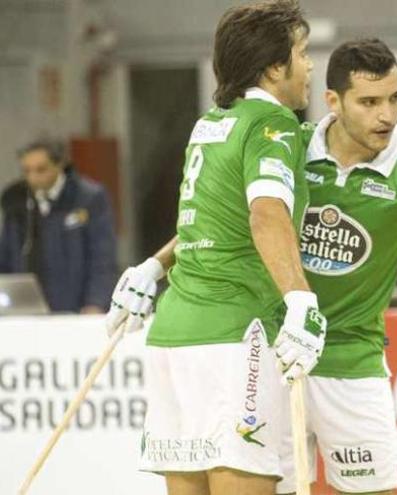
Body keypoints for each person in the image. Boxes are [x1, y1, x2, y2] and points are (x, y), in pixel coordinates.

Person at [104, 2, 327, 494]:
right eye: (303, 53)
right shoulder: (274, 125)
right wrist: (300, 298)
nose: (310, 66)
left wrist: (152, 267)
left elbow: (211, 223)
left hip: (174, 333)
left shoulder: (210, 124)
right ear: (274, 68)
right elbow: (265, 213)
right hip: (234, 336)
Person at [294, 38, 397, 494]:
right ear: (333, 101)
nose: (387, 115)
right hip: (277, 356)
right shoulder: (290, 152)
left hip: (354, 361)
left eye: (395, 98)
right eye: (369, 102)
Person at [0, 138, 116, 313]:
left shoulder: (88, 198)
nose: (33, 178)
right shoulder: (16, 202)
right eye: (27, 171)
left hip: (75, 306)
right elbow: (7, 256)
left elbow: (102, 257)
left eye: (41, 169)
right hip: (27, 309)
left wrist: (95, 302)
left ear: (59, 165)